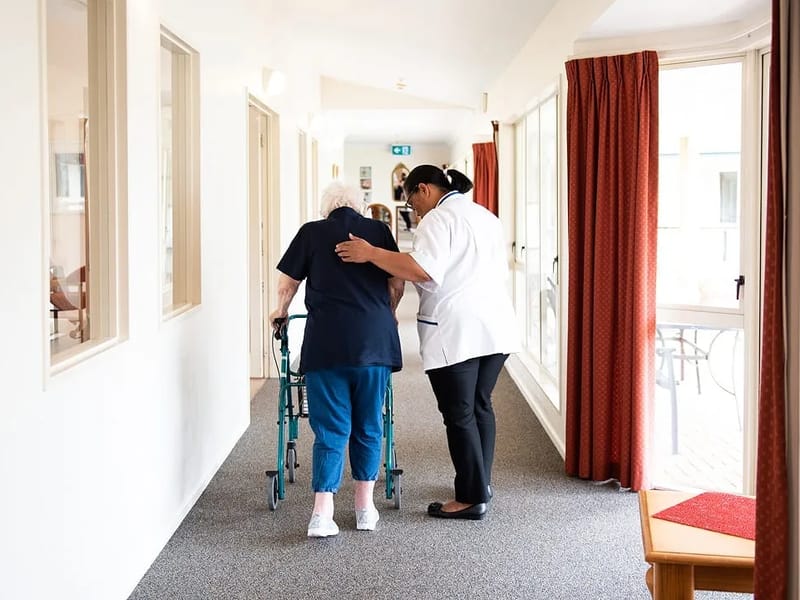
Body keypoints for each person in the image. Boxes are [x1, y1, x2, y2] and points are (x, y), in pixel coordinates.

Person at [335, 165, 519, 520]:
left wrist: (370, 254)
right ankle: (481, 484)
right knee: (480, 405)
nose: (414, 210)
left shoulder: (438, 219)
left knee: (459, 414)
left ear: (424, 189)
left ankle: (470, 498)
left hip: (458, 330)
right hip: (496, 326)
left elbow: (423, 270)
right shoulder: (485, 215)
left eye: (411, 201)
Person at [269, 181, 404, 538]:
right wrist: (389, 312)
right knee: (369, 424)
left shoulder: (311, 232)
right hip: (373, 345)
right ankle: (365, 508)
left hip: (326, 344)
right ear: (359, 206)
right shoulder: (378, 231)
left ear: (325, 207)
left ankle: (321, 513)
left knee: (330, 428)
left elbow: (288, 283)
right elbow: (396, 282)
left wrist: (280, 311)